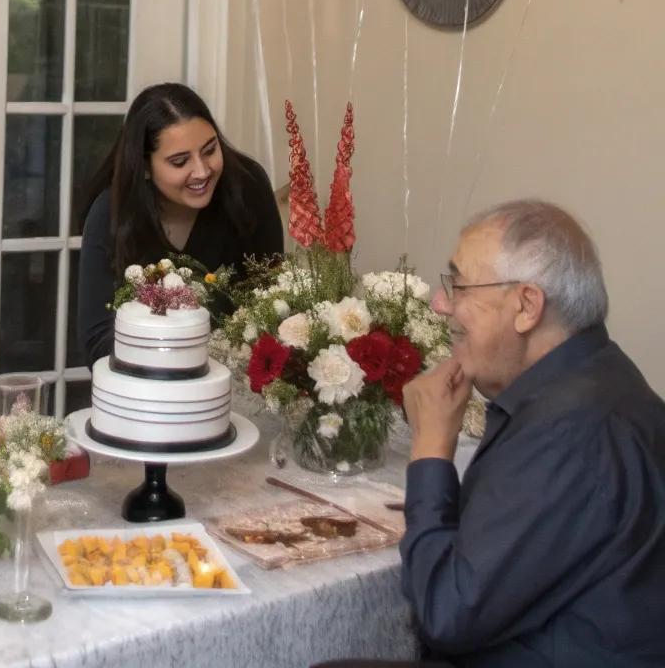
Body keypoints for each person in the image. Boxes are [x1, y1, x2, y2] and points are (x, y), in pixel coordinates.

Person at [321, 199, 665, 668]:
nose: (441, 304)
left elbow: (446, 612)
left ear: (526, 305)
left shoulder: (569, 430)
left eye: (458, 285)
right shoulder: (597, 376)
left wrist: (431, 449)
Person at [77, 82, 283, 368]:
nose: (201, 171)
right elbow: (98, 341)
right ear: (145, 167)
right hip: (143, 389)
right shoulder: (111, 212)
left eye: (210, 150)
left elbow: (272, 301)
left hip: (238, 382)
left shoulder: (247, 187)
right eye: (179, 161)